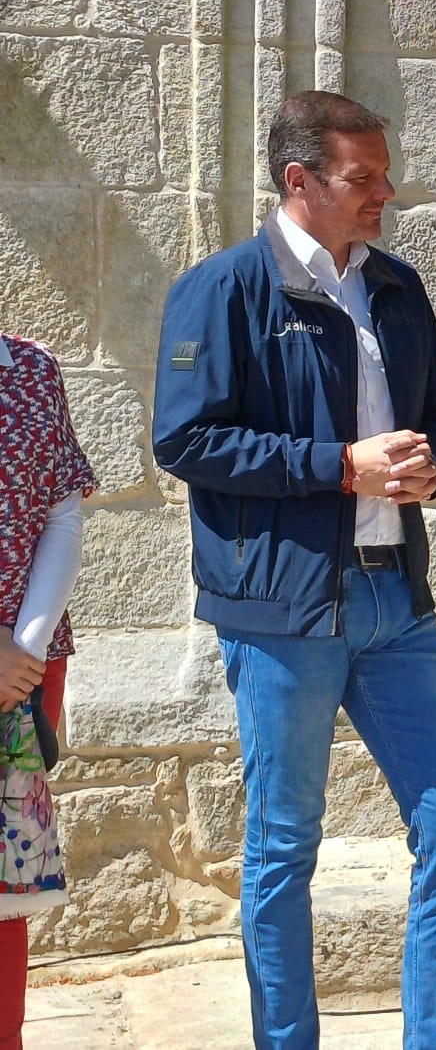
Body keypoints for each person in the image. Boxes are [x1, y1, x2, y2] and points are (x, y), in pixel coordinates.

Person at [152, 91, 436, 1050]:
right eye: (363, 177)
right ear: (299, 183)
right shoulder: (222, 289)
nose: (385, 191)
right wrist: (338, 466)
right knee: (285, 847)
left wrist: (428, 467)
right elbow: (186, 439)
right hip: (279, 610)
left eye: (383, 172)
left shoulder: (399, 288)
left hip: (394, 599)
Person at [0, 333, 95, 1050]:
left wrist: (23, 652)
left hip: (22, 677)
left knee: (5, 896)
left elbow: (63, 512)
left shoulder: (31, 367)